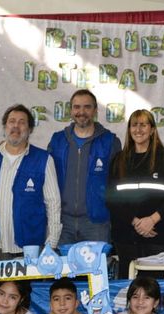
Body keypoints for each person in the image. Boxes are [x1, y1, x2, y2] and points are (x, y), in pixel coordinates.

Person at [106, 110, 164, 278]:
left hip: (158, 234)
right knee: (128, 285)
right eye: (134, 125)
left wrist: (152, 220)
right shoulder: (119, 159)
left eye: (143, 125)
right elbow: (112, 199)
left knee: (153, 286)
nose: (138, 130)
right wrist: (136, 222)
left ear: (152, 129)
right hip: (126, 236)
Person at [0, 104, 61, 260]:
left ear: (30, 129)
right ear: (5, 126)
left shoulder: (44, 159)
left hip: (32, 247)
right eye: (12, 121)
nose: (16, 126)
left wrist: (51, 243)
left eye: (22, 122)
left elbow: (53, 203)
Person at [48, 89, 122, 245]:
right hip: (62, 223)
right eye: (77, 107)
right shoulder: (57, 140)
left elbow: (118, 182)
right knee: (61, 262)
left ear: (95, 110)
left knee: (96, 262)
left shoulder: (110, 141)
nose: (81, 112)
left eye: (87, 107)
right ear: (71, 111)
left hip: (96, 224)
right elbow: (44, 174)